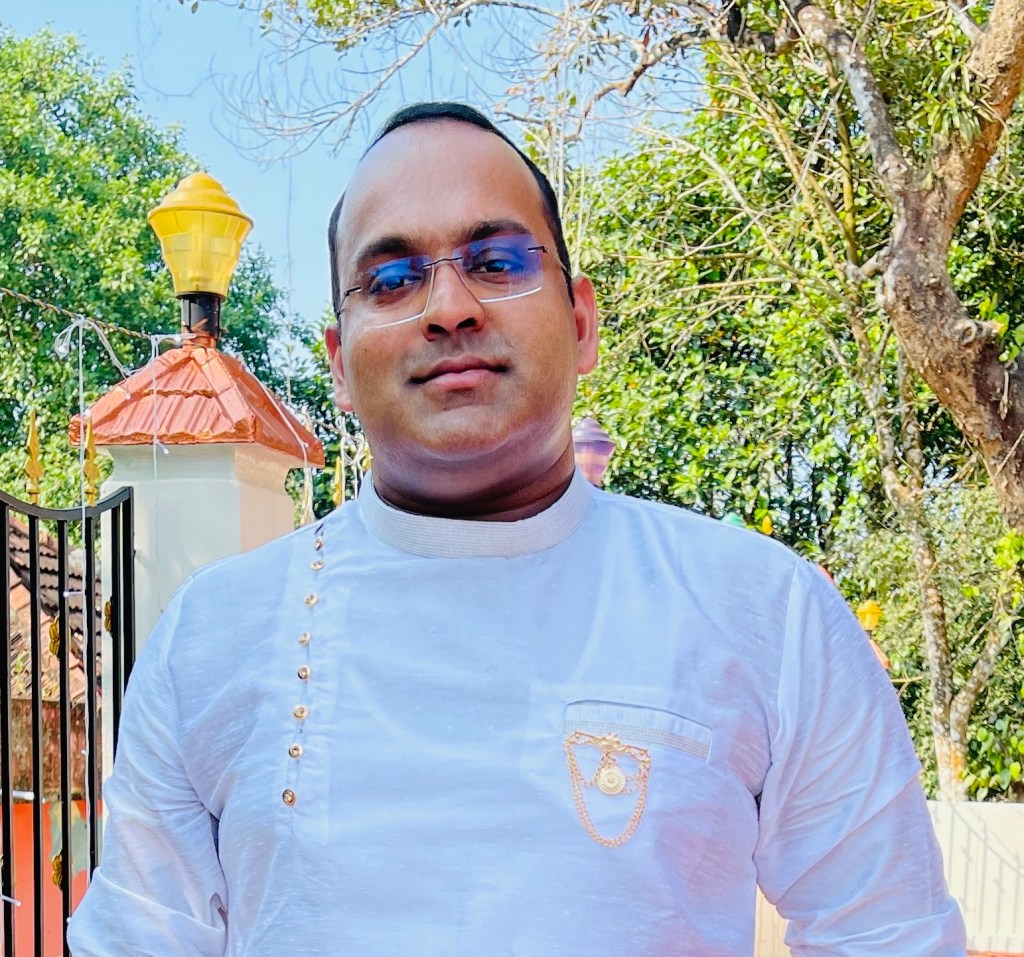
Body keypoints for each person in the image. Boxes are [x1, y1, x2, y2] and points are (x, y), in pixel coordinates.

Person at [67, 102, 967, 956]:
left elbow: (887, 932)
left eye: (496, 261)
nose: (448, 307)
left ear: (581, 323)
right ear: (338, 364)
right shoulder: (211, 636)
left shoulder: (764, 612)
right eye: (392, 279)